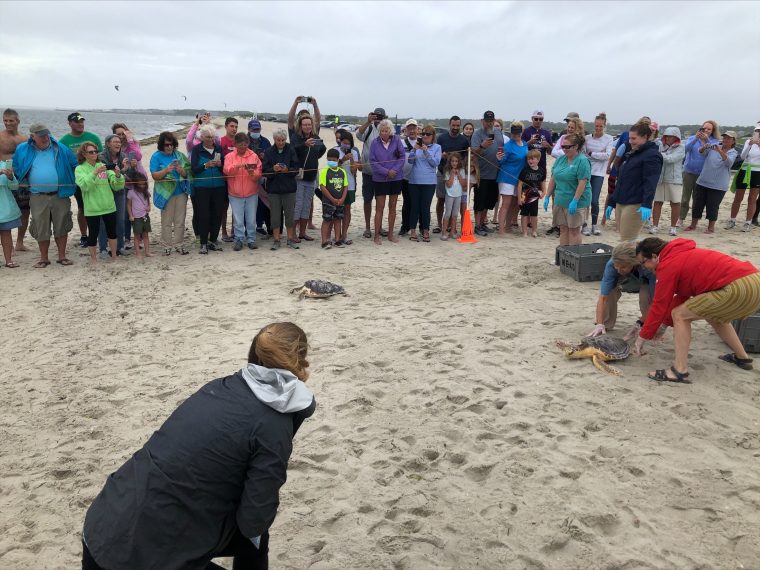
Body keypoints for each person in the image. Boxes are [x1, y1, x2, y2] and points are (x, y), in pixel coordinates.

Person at [81, 322, 316, 570]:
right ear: (299, 363)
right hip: (139, 557)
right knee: (256, 535)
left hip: (102, 526)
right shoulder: (274, 423)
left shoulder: (218, 386)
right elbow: (253, 521)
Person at [634, 238, 760, 383]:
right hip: (754, 280)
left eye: (643, 262)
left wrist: (643, 336)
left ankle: (679, 370)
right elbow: (683, 297)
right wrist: (663, 326)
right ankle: (743, 358)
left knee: (680, 315)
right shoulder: (681, 254)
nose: (644, 268)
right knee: (711, 314)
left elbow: (659, 304)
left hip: (737, 287)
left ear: (655, 256)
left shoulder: (668, 263)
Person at [13, 123, 78, 267]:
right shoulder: (22, 149)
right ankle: (43, 258)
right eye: (41, 135)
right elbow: (16, 167)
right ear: (32, 136)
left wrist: (74, 180)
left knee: (62, 225)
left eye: (46, 134)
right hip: (36, 196)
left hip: (60, 194)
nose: (45, 137)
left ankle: (62, 256)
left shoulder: (60, 148)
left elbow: (74, 164)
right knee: (40, 227)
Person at [605, 122, 662, 241]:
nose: (630, 141)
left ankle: (623, 259)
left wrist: (646, 204)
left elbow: (650, 182)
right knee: (624, 239)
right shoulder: (632, 153)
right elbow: (621, 181)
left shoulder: (652, 156)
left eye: (633, 138)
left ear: (645, 137)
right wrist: (612, 201)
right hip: (622, 201)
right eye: (629, 138)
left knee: (627, 240)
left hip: (636, 204)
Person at [587, 241, 655, 338]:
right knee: (609, 292)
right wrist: (599, 323)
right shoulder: (612, 265)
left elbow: (657, 300)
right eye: (616, 266)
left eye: (622, 267)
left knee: (646, 296)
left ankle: (648, 325)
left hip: (645, 277)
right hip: (629, 273)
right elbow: (603, 297)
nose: (618, 270)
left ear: (633, 262)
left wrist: (640, 322)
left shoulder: (647, 266)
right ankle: (605, 325)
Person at [75, 141, 124, 263]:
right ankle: (93, 260)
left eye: (95, 151)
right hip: (92, 208)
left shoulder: (103, 165)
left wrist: (118, 176)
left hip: (108, 205)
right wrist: (95, 172)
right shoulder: (79, 169)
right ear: (84, 154)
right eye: (91, 152)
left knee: (112, 232)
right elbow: (84, 186)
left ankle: (113, 256)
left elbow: (117, 186)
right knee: (93, 234)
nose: (94, 154)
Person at [681, 131, 738, 234]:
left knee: (713, 206)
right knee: (697, 204)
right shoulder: (714, 146)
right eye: (724, 137)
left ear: (733, 141)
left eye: (729, 139)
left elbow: (728, 163)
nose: (725, 140)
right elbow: (701, 153)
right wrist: (704, 147)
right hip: (703, 181)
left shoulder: (733, 152)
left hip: (719, 185)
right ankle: (693, 225)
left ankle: (711, 228)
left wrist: (720, 151)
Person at [60, 112, 102, 249]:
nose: (80, 124)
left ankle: (99, 234)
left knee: (98, 206)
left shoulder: (93, 137)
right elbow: (61, 162)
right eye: (77, 121)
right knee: (82, 207)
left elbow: (101, 157)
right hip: (78, 180)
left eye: (82, 121)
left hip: (97, 179)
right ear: (69, 123)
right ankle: (84, 235)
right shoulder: (64, 141)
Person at [543, 133, 591, 246]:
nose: (564, 149)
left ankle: (574, 258)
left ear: (576, 146)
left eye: (567, 147)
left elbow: (582, 182)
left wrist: (575, 200)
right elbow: (553, 178)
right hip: (560, 199)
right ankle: (563, 258)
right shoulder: (560, 159)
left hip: (577, 201)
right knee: (563, 229)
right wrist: (547, 196)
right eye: (563, 146)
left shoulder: (582, 161)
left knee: (574, 230)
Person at [150, 131, 191, 256]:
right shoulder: (156, 156)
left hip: (180, 192)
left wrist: (182, 170)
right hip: (166, 193)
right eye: (167, 145)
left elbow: (188, 173)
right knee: (166, 221)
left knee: (180, 220)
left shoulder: (179, 155)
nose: (170, 147)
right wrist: (166, 170)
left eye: (172, 144)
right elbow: (154, 175)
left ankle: (179, 244)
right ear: (161, 145)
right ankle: (166, 246)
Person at [223, 132, 263, 251]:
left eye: (245, 144)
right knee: (238, 219)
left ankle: (251, 239)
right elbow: (226, 170)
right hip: (235, 194)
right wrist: (238, 166)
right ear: (235, 144)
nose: (243, 147)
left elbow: (258, 173)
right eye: (240, 144)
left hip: (251, 193)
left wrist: (252, 173)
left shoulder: (253, 156)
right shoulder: (229, 156)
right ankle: (239, 239)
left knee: (251, 218)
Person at [289, 114, 326, 243]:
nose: (307, 126)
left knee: (306, 206)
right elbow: (291, 151)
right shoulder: (296, 137)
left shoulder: (315, 137)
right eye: (305, 124)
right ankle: (292, 233)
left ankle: (303, 233)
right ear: (300, 125)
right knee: (297, 206)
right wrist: (304, 145)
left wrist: (314, 156)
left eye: (309, 124)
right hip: (299, 177)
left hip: (311, 177)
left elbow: (322, 149)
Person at [369, 119, 405, 245]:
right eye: (382, 131)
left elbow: (402, 157)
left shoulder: (397, 140)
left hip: (396, 178)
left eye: (386, 131)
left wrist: (393, 170)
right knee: (380, 207)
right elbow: (372, 162)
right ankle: (376, 236)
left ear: (390, 131)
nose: (383, 133)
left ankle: (390, 234)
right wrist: (386, 172)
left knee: (393, 207)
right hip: (380, 179)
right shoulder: (374, 143)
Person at [262, 129, 300, 250]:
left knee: (289, 215)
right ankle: (276, 240)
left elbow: (296, 168)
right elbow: (264, 171)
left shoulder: (291, 149)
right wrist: (273, 169)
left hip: (289, 188)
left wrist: (287, 170)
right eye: (278, 140)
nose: (281, 142)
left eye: (283, 140)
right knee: (275, 216)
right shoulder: (268, 151)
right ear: (274, 140)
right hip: (274, 189)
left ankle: (289, 240)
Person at [191, 125, 226, 254]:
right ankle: (203, 243)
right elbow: (193, 169)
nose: (210, 139)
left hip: (218, 186)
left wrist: (220, 164)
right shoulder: (197, 150)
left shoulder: (219, 148)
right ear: (202, 137)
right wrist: (205, 165)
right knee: (203, 215)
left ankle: (213, 241)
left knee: (217, 214)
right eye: (207, 137)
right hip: (202, 187)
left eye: (212, 137)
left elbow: (225, 168)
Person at [678, 120, 720, 226]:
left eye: (709, 129)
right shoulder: (692, 138)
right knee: (685, 197)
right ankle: (681, 218)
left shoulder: (714, 141)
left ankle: (694, 221)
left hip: (703, 174)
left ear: (713, 131)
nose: (706, 130)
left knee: (698, 199)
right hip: (688, 171)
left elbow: (711, 155)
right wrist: (696, 138)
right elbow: (685, 150)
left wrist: (706, 141)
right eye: (704, 128)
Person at [112, 123, 145, 249]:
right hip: (124, 181)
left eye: (123, 134)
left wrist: (130, 140)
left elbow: (138, 155)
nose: (121, 137)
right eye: (118, 134)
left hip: (137, 180)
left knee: (139, 210)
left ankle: (140, 236)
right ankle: (127, 238)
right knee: (126, 213)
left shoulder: (133, 143)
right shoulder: (114, 147)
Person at [434, 116, 470, 233]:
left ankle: (451, 226)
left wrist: (458, 168)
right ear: (449, 124)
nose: (455, 128)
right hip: (442, 172)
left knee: (454, 199)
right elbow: (436, 154)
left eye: (457, 125)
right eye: (453, 125)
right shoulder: (441, 138)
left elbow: (465, 158)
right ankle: (440, 224)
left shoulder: (464, 140)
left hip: (457, 175)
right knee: (441, 199)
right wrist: (442, 155)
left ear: (460, 125)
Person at [471, 111, 504, 236]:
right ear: (482, 121)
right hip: (481, 173)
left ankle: (483, 223)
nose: (489, 123)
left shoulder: (498, 133)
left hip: (495, 173)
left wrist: (502, 154)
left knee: (489, 201)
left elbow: (502, 148)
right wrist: (482, 146)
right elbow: (473, 153)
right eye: (487, 120)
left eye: (491, 120)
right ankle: (477, 225)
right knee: (479, 201)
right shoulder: (477, 134)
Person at [407, 125, 441, 243]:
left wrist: (426, 151)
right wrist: (414, 149)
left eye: (428, 134)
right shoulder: (416, 147)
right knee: (414, 207)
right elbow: (410, 161)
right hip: (414, 181)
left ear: (433, 136)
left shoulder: (437, 147)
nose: (425, 136)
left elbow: (435, 163)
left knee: (425, 208)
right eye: (423, 134)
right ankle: (412, 231)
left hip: (429, 182)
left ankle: (425, 230)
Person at [0, 109, 29, 251]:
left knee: (24, 209)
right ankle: (6, 243)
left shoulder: (24, 139)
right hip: (4, 178)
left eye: (11, 120)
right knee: (4, 211)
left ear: (18, 121)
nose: (7, 123)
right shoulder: (0, 137)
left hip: (21, 178)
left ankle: (19, 242)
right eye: (5, 120)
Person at [357, 107, 387, 239]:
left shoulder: (387, 131)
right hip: (368, 172)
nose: (378, 119)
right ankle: (368, 228)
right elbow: (358, 135)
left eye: (380, 117)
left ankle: (379, 226)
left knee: (380, 201)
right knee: (367, 200)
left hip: (382, 173)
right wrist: (367, 121)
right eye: (376, 116)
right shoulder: (369, 128)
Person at [98, 134, 130, 258]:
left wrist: (128, 168)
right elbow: (106, 175)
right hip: (105, 193)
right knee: (103, 221)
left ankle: (120, 247)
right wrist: (122, 171)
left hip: (119, 192)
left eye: (119, 142)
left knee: (120, 220)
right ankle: (103, 248)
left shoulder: (123, 156)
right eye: (115, 141)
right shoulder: (101, 157)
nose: (118, 144)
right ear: (107, 144)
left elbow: (126, 176)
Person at [583, 113, 614, 236]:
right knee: (584, 199)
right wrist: (596, 154)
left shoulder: (609, 138)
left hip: (599, 173)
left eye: (601, 126)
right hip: (586, 171)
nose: (598, 129)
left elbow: (607, 155)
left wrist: (592, 154)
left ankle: (594, 225)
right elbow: (584, 153)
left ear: (604, 126)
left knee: (594, 200)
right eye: (596, 126)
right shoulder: (587, 138)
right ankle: (584, 224)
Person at [651, 126, 685, 236]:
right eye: (666, 136)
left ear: (676, 137)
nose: (668, 138)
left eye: (670, 136)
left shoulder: (681, 147)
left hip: (674, 179)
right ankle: (655, 226)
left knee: (675, 203)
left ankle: (673, 227)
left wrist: (658, 154)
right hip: (660, 178)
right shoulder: (660, 145)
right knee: (657, 202)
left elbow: (671, 159)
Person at [496, 121, 528, 235]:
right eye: (513, 133)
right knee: (506, 203)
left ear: (522, 132)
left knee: (515, 204)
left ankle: (508, 226)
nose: (515, 135)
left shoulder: (525, 144)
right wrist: (499, 158)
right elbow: (501, 161)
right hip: (507, 177)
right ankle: (501, 229)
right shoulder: (508, 145)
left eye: (518, 133)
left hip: (519, 179)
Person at [726, 123, 760, 232]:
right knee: (738, 197)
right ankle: (732, 220)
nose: (758, 133)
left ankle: (748, 222)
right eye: (757, 131)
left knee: (752, 198)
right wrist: (750, 145)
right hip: (745, 169)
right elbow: (742, 156)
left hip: (757, 171)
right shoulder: (747, 142)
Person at [246, 119, 273, 237]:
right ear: (249, 130)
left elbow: (272, 158)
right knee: (247, 204)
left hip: (262, 176)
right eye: (253, 129)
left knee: (263, 203)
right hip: (246, 177)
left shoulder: (265, 141)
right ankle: (247, 229)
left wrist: (265, 157)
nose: (256, 131)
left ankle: (260, 225)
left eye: (258, 129)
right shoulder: (244, 140)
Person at [318, 148, 348, 249]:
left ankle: (338, 240)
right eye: (329, 160)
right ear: (327, 159)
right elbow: (322, 187)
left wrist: (342, 198)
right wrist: (332, 199)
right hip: (328, 201)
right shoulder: (325, 171)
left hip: (340, 201)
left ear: (338, 160)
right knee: (327, 220)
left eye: (334, 160)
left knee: (338, 219)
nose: (332, 162)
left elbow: (345, 186)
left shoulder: (342, 172)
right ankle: (324, 241)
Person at [335, 130, 360, 245]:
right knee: (336, 209)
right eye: (343, 142)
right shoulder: (336, 151)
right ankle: (337, 235)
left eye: (348, 143)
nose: (345, 145)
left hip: (349, 184)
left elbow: (354, 172)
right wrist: (343, 159)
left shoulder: (354, 152)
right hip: (336, 184)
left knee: (347, 209)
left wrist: (352, 160)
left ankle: (344, 234)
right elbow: (333, 166)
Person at [516, 149, 545, 238]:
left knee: (534, 214)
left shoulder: (541, 170)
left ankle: (534, 231)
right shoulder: (525, 170)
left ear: (538, 160)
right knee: (524, 214)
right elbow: (520, 184)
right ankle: (524, 232)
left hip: (535, 196)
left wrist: (544, 191)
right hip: (524, 196)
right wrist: (519, 198)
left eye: (533, 159)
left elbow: (542, 182)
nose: (530, 161)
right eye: (529, 159)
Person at [219, 117, 240, 243]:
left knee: (236, 207)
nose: (234, 129)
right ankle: (224, 232)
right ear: (226, 126)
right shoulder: (221, 141)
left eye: (236, 127)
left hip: (237, 179)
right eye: (232, 126)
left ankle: (234, 230)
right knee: (224, 207)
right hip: (224, 179)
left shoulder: (239, 142)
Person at [398, 118, 419, 237]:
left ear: (417, 129)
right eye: (409, 128)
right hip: (404, 178)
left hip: (419, 179)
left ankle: (417, 226)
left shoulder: (422, 142)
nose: (412, 130)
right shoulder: (401, 142)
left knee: (418, 203)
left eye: (414, 128)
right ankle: (405, 226)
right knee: (407, 203)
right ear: (405, 130)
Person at [126, 172, 153, 259]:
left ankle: (147, 252)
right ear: (135, 184)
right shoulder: (131, 192)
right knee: (137, 235)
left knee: (146, 235)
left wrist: (149, 207)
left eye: (144, 184)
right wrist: (130, 215)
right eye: (140, 184)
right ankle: (137, 252)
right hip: (136, 217)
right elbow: (129, 205)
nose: (142, 186)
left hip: (145, 216)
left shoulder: (146, 192)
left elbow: (148, 202)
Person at [0, 156, 21, 267]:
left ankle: (8, 260)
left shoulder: (5, 165)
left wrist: (10, 177)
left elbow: (14, 187)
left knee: (6, 233)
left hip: (4, 207)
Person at [440, 153, 466, 240]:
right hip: (450, 195)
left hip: (458, 194)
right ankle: (444, 232)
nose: (454, 163)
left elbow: (463, 184)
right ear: (450, 162)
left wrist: (458, 175)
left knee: (455, 214)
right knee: (448, 213)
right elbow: (449, 185)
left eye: (456, 161)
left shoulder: (461, 170)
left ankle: (452, 232)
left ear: (459, 162)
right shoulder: (447, 170)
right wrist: (452, 174)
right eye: (452, 161)